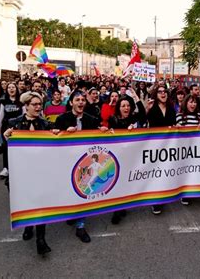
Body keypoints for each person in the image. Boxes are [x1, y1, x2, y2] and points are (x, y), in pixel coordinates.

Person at [3, 92, 52, 255]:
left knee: (41, 204)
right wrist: (6, 138)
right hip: (20, 174)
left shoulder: (45, 125)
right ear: (26, 105)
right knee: (24, 201)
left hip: (40, 172)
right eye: (35, 104)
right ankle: (28, 225)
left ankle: (41, 239)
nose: (38, 107)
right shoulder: (13, 124)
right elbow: (7, 151)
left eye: (40, 104)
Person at [54, 91, 106, 243]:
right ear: (71, 103)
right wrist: (63, 133)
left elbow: (100, 134)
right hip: (67, 161)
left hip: (86, 163)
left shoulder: (91, 119)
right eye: (77, 99)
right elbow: (54, 137)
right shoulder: (62, 118)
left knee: (82, 190)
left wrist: (102, 130)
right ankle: (72, 213)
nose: (81, 102)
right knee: (69, 189)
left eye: (83, 100)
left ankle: (80, 226)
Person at [108, 90, 146, 224]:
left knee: (127, 181)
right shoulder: (113, 119)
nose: (126, 108)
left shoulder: (134, 118)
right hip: (118, 156)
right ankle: (116, 210)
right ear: (119, 107)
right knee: (118, 182)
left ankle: (123, 205)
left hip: (132, 156)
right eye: (123, 106)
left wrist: (136, 97)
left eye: (128, 105)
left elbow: (143, 114)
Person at [146, 86, 177, 215]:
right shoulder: (152, 108)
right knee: (156, 172)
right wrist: (147, 109)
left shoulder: (171, 108)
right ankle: (156, 201)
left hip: (169, 145)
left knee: (165, 171)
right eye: (159, 92)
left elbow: (174, 124)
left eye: (164, 91)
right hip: (155, 145)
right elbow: (144, 122)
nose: (162, 93)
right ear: (156, 94)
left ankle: (164, 194)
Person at [176, 94, 200, 206]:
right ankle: (184, 194)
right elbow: (176, 130)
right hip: (184, 149)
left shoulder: (199, 116)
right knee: (185, 171)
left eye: (195, 102)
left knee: (194, 171)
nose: (193, 104)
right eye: (190, 102)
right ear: (185, 103)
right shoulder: (180, 116)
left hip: (197, 149)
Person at [0, 82, 23, 178]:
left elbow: (24, 114)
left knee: (18, 147)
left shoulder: (21, 101)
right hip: (6, 127)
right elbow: (0, 115)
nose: (11, 89)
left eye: (13, 87)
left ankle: (18, 166)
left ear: (16, 89)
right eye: (9, 87)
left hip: (18, 127)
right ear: (7, 90)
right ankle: (6, 168)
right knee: (6, 147)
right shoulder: (4, 102)